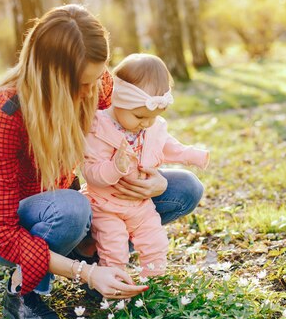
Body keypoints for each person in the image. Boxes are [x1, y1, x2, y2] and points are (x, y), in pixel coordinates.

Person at [0, 5, 205, 319]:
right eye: (82, 84)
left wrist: (156, 184)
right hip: (14, 225)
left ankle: (101, 255)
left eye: (98, 77)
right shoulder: (6, 110)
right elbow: (0, 232)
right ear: (50, 76)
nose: (94, 92)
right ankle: (22, 290)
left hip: (82, 209)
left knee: (185, 188)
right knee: (71, 209)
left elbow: (135, 130)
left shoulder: (98, 84)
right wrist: (85, 274)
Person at [81, 54, 209, 277]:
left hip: (140, 203)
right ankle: (112, 282)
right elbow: (90, 172)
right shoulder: (98, 127)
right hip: (105, 204)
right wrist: (114, 167)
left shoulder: (150, 127)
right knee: (114, 247)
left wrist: (191, 155)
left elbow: (165, 144)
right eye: (139, 116)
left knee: (155, 241)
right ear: (119, 101)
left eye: (152, 117)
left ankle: (153, 280)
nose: (146, 123)